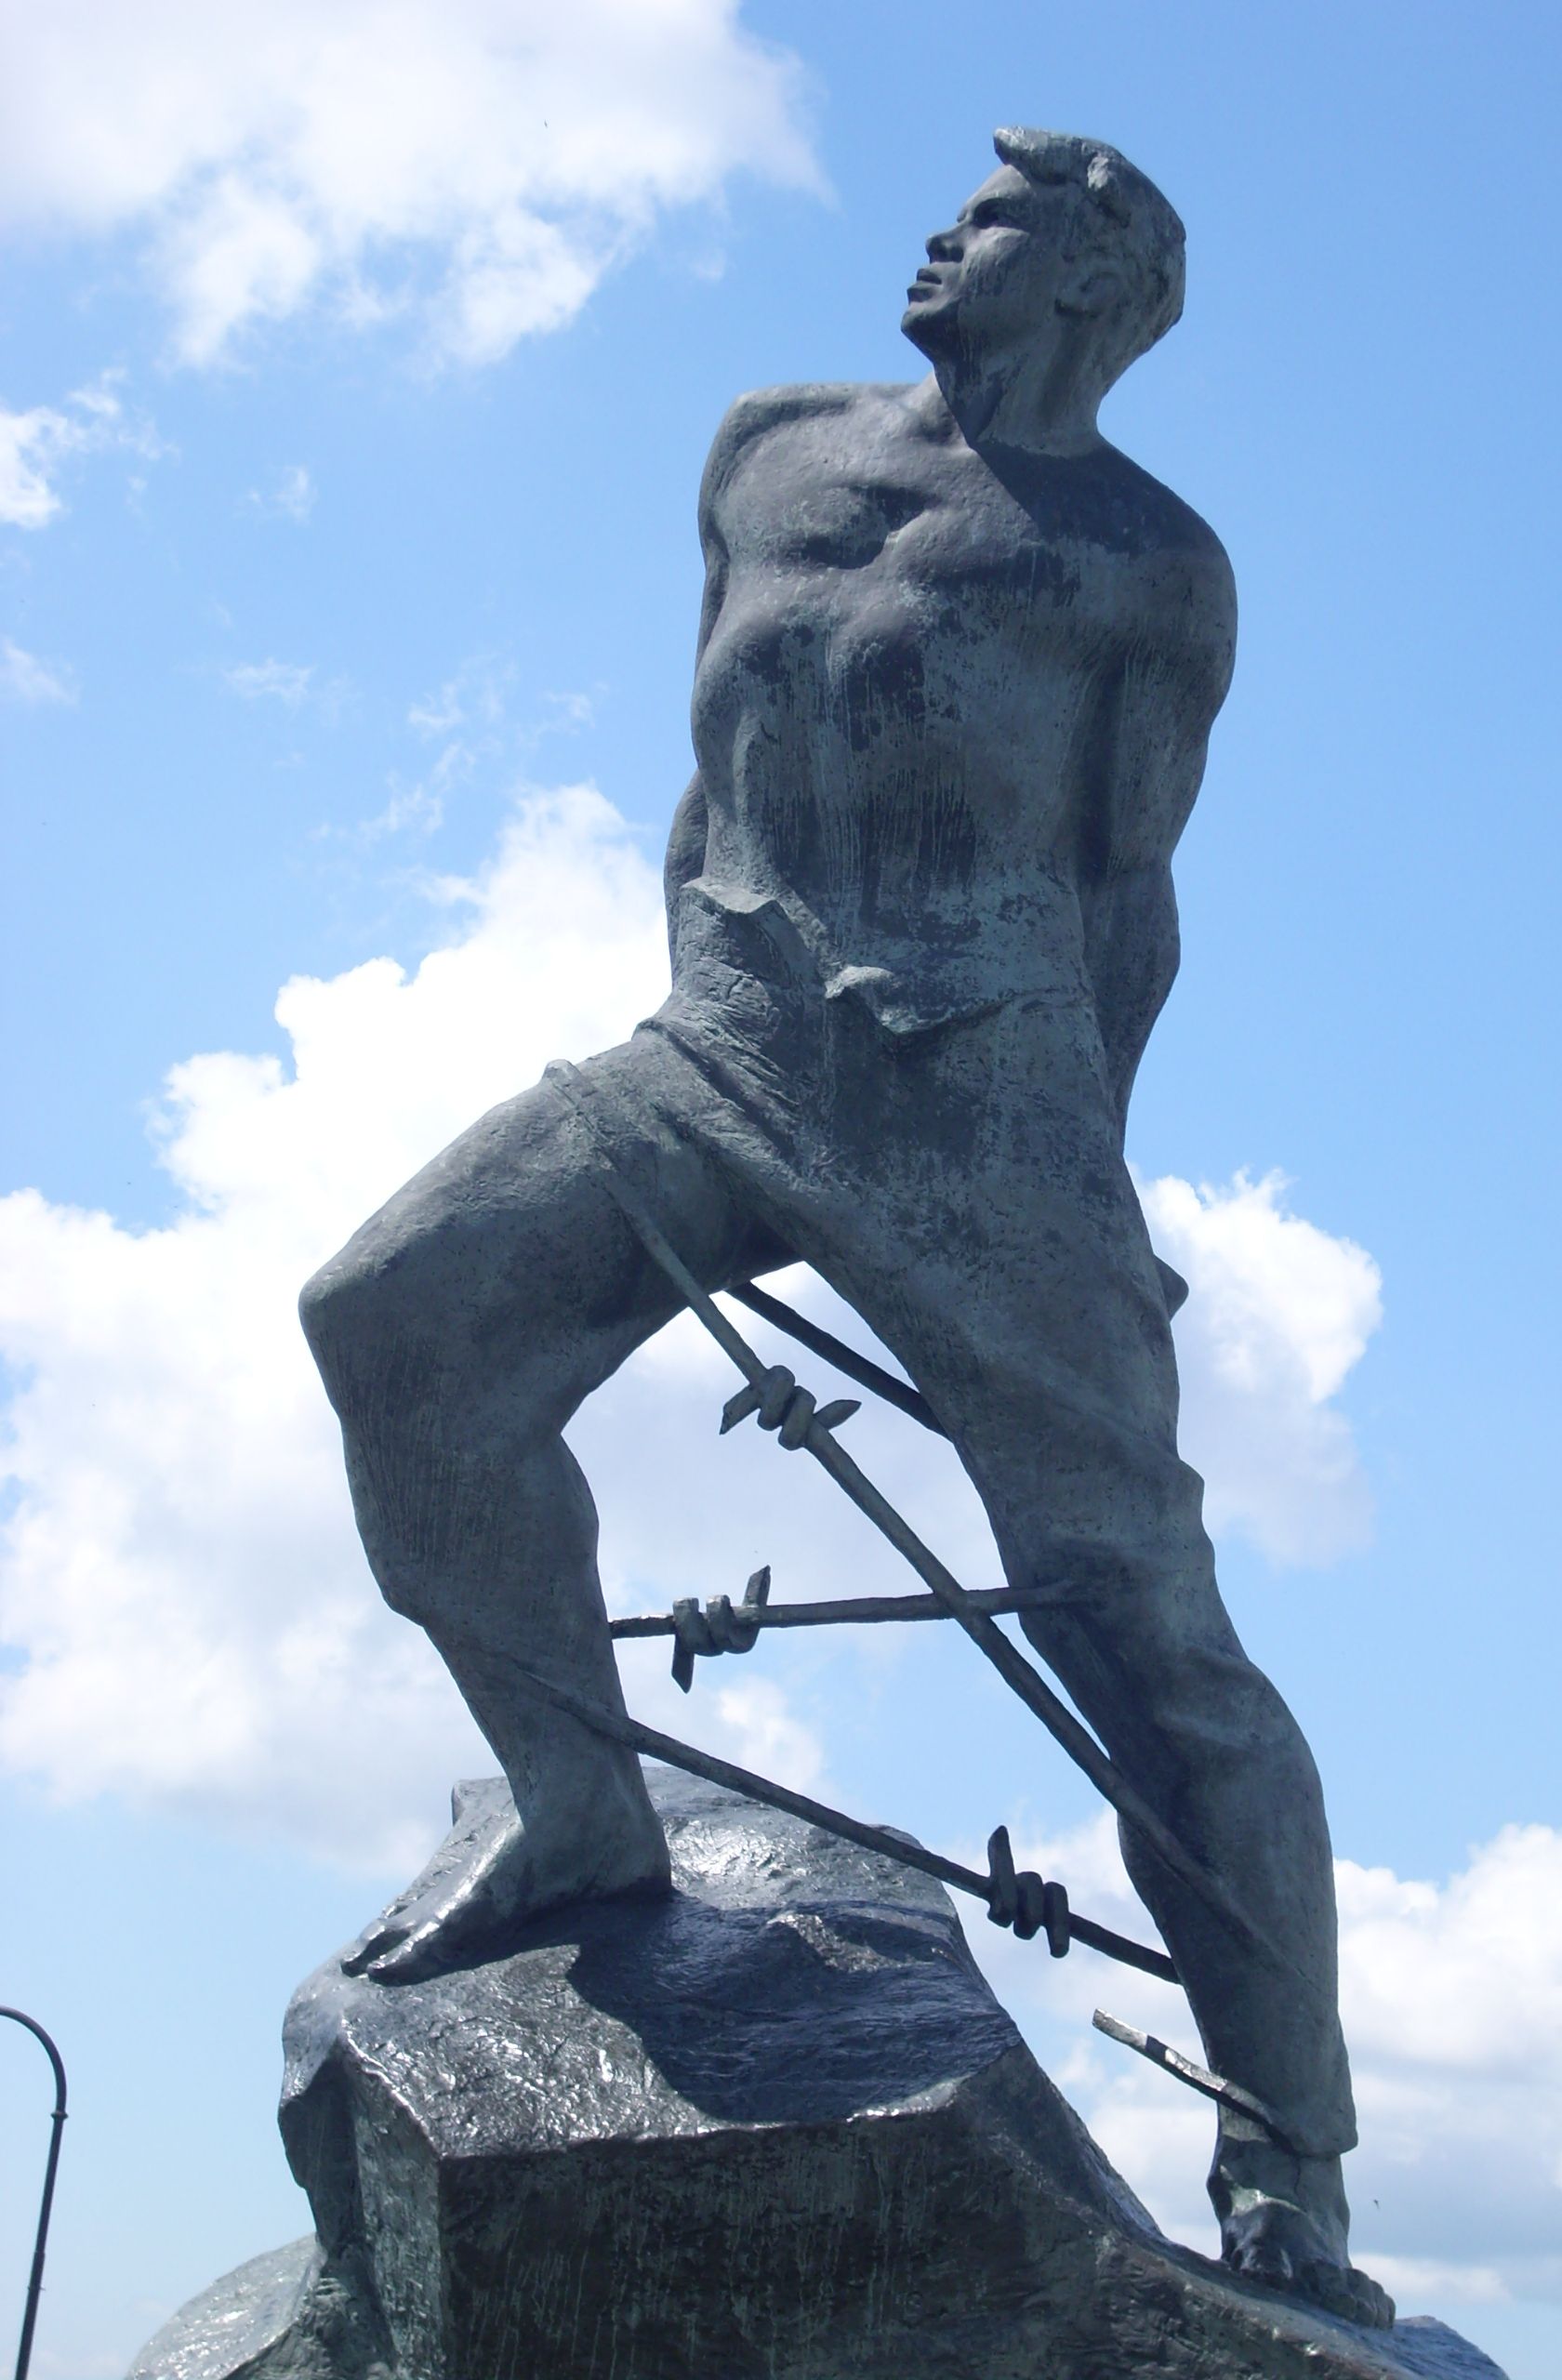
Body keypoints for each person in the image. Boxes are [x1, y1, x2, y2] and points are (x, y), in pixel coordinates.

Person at [299, 127, 1390, 2327]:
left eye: (993, 218)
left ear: (1092, 278)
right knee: (395, 1320)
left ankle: (1286, 2139)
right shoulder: (765, 445)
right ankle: (581, 1803)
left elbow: (1126, 900)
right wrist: (699, 999)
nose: (939, 231)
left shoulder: (1147, 567)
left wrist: (1087, 1189)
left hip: (985, 1094)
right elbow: (711, 774)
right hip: (722, 1043)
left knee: (1143, 1625)